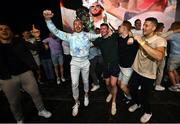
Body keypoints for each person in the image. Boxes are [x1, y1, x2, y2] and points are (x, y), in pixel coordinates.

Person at [43, 10, 100, 117]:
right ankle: (76, 102)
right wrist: (48, 20)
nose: (78, 26)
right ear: (73, 27)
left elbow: (101, 36)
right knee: (74, 84)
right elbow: (55, 31)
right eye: (75, 24)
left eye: (79, 24)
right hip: (74, 63)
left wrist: (109, 33)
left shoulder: (88, 35)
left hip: (85, 62)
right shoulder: (69, 36)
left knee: (86, 82)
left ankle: (86, 95)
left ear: (82, 26)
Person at [0, 22, 52, 123]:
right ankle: (19, 119)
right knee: (14, 102)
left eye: (6, 28)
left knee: (36, 93)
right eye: (1, 29)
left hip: (26, 73)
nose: (4, 30)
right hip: (7, 78)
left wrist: (37, 38)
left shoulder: (19, 41)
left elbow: (37, 48)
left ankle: (41, 110)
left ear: (10, 31)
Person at [128, 17, 167, 123]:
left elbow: (159, 56)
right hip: (136, 70)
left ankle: (148, 112)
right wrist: (131, 38)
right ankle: (137, 103)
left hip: (148, 74)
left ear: (154, 27)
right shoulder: (142, 36)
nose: (143, 27)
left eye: (146, 25)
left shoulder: (160, 40)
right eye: (143, 25)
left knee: (145, 97)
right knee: (132, 89)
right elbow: (132, 34)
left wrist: (142, 42)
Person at [92, 23, 120, 115]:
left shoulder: (114, 37)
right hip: (105, 65)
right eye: (101, 29)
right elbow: (89, 43)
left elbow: (123, 32)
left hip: (114, 64)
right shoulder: (99, 40)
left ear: (108, 30)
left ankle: (114, 103)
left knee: (113, 83)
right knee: (107, 84)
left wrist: (114, 30)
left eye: (104, 28)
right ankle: (111, 93)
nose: (103, 30)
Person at [117, 21, 138, 101]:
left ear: (124, 28)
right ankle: (126, 95)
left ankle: (130, 98)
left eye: (120, 26)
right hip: (121, 66)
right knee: (119, 83)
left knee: (122, 86)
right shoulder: (119, 38)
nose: (119, 28)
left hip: (128, 68)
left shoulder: (133, 41)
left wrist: (132, 38)